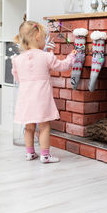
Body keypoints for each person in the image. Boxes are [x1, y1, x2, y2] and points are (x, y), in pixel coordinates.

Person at [12, 20, 76, 163]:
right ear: (37, 37)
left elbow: (17, 78)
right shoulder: (46, 56)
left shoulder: (17, 59)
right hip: (41, 97)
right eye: (44, 38)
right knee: (44, 126)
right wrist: (72, 57)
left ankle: (29, 153)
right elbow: (62, 66)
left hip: (25, 98)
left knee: (28, 127)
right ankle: (45, 155)